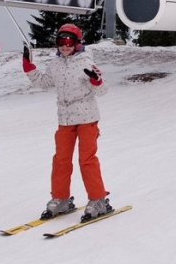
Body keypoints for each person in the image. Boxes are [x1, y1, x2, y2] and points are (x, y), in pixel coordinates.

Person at [22, 23, 112, 223]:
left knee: (86, 160)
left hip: (87, 118)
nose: (65, 46)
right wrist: (30, 69)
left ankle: (98, 200)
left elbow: (103, 90)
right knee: (61, 160)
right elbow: (44, 82)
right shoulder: (55, 64)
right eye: (61, 42)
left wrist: (97, 81)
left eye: (69, 41)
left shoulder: (85, 62)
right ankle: (61, 198)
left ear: (77, 43)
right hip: (65, 119)